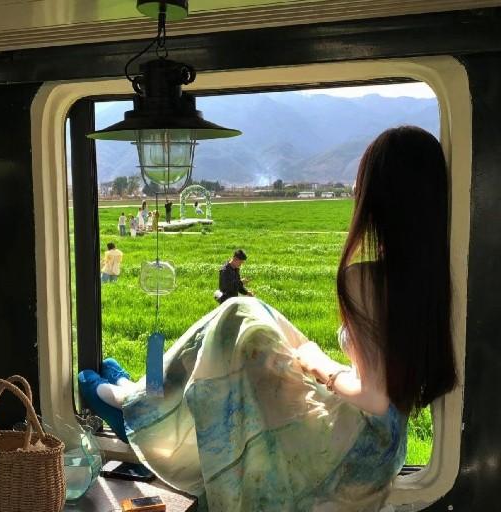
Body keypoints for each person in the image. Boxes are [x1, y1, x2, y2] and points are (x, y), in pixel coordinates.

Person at [79, 127, 457, 512]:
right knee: (252, 316)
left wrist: (321, 365)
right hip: (381, 452)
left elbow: (374, 397)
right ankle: (142, 393)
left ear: (379, 197)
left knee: (237, 316)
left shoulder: (366, 279)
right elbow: (384, 386)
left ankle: (138, 403)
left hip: (348, 449)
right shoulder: (438, 280)